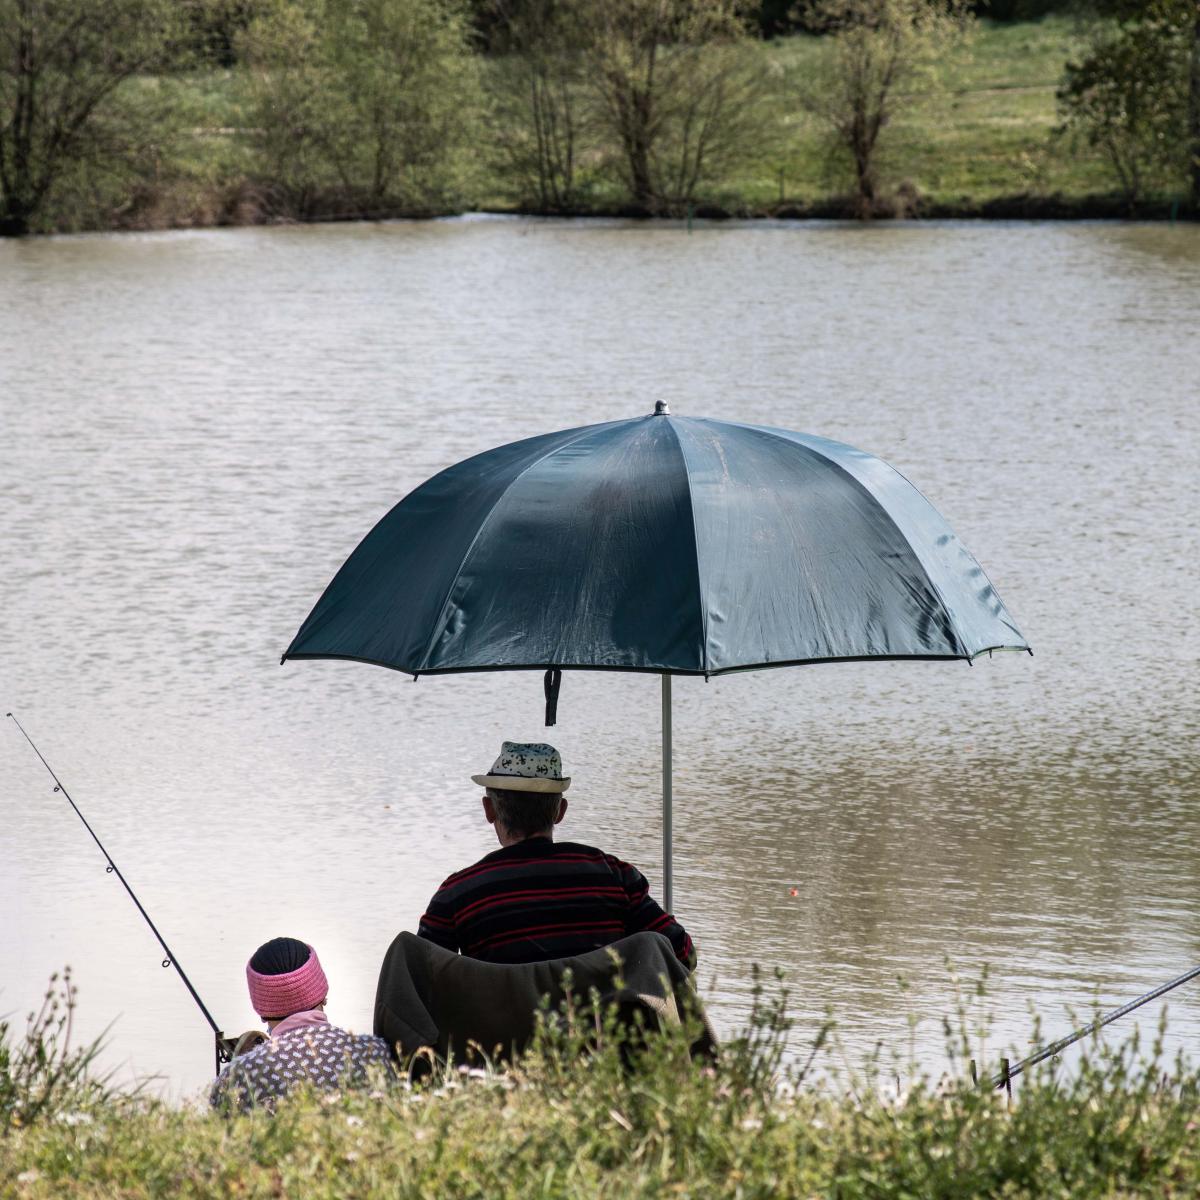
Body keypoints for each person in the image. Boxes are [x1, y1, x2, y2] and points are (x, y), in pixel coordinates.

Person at [417, 741, 695, 969]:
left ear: (489, 809)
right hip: (600, 1034)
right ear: (560, 811)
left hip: (499, 1037)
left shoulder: (457, 894)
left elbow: (420, 979)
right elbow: (684, 953)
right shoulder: (616, 877)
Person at [210, 937, 393, 1111]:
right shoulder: (374, 1052)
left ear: (262, 1012)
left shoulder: (239, 1075)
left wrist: (242, 1065)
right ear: (322, 993)